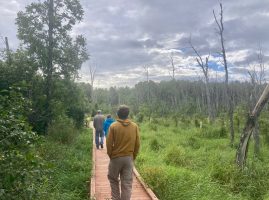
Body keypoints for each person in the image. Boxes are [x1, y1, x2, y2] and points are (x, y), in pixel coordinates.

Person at [106, 105, 140, 200]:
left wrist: (111, 155)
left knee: (113, 179)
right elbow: (137, 144)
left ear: (117, 114)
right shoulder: (134, 126)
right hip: (129, 158)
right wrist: (133, 156)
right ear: (128, 114)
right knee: (127, 183)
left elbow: (108, 143)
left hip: (116, 158)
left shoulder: (113, 126)